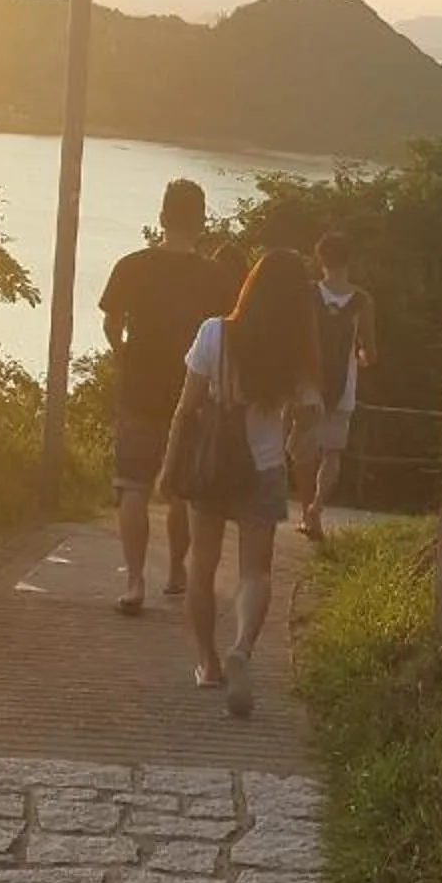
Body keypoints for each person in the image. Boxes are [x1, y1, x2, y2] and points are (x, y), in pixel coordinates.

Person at [159, 246, 321, 718]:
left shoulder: (215, 332)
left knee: (202, 565)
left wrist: (170, 466)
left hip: (211, 465)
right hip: (263, 468)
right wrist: (296, 430)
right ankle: (243, 649)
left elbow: (185, 409)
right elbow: (310, 412)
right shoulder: (297, 348)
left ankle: (208, 665)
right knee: (255, 572)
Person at [99, 178, 226, 616]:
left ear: (161, 217)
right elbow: (225, 337)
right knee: (182, 491)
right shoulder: (217, 277)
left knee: (132, 487)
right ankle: (175, 571)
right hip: (190, 393)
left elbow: (112, 324)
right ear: (201, 221)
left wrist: (124, 355)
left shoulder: (131, 265)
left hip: (138, 389)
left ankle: (134, 581)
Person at [294, 230, 377, 540]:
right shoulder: (362, 300)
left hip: (308, 383)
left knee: (303, 451)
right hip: (344, 385)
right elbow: (370, 349)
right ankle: (317, 505)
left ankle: (305, 513)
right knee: (332, 453)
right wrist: (362, 356)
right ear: (349, 259)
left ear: (320, 260)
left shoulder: (308, 293)